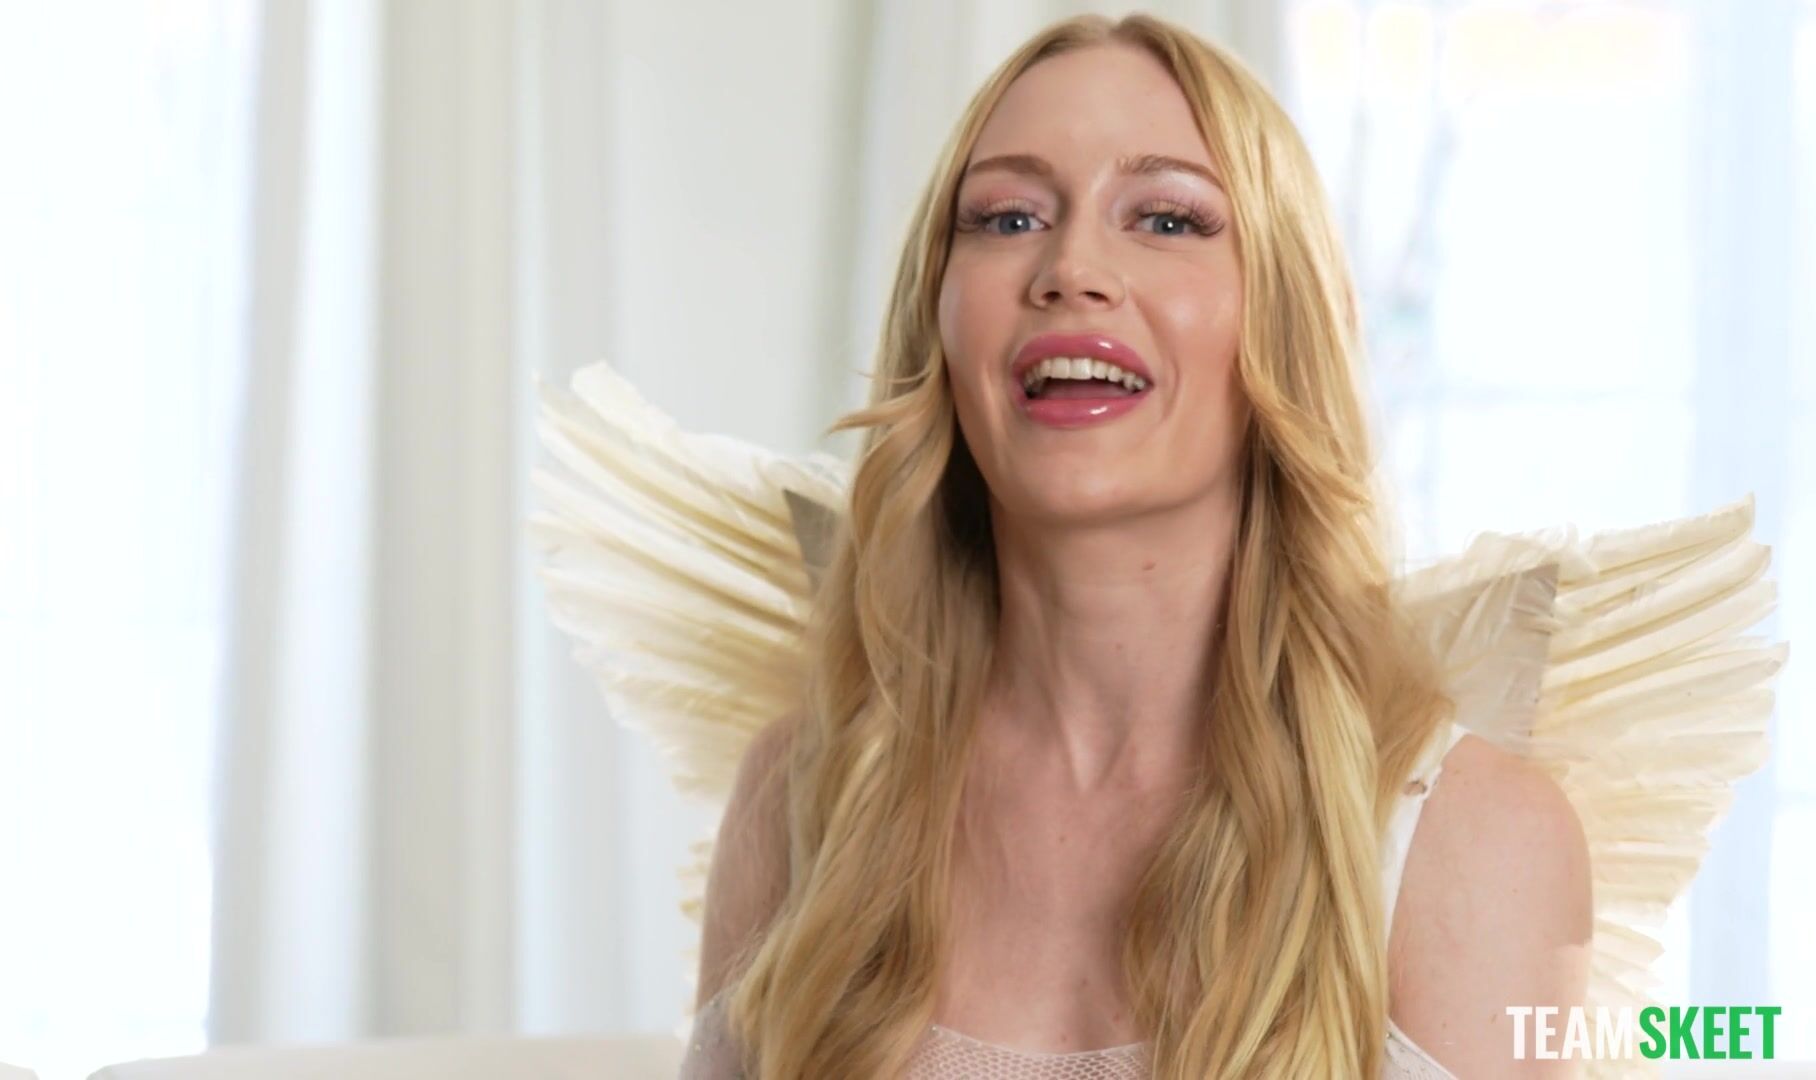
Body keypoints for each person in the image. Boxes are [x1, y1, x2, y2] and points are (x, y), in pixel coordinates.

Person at [676, 12, 1591, 1078]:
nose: (1070, 268)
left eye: (1165, 218)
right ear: (939, 320)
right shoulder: (803, 796)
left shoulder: (1476, 840)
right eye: (1007, 216)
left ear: (1283, 319)